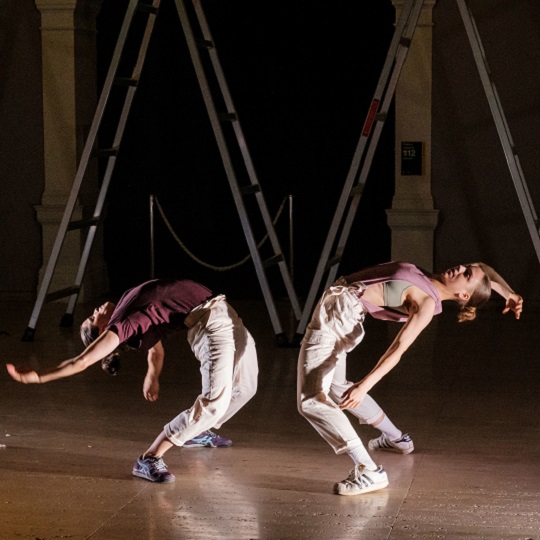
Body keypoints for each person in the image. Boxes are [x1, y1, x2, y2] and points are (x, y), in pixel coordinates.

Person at [297, 261, 523, 496]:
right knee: (337, 388)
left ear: (463, 294)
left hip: (336, 319)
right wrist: (509, 293)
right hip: (339, 313)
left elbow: (398, 349)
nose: (460, 267)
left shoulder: (426, 303)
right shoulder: (430, 280)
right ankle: (397, 438)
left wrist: (365, 386)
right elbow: (481, 267)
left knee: (311, 400)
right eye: (464, 266)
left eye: (466, 274)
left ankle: (368, 470)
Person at [7, 278, 258, 484]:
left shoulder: (132, 316)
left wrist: (152, 376)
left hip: (225, 313)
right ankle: (149, 458)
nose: (94, 311)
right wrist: (39, 376)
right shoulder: (123, 324)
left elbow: (155, 351)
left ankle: (195, 431)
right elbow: (80, 362)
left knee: (246, 386)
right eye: (92, 319)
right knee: (213, 402)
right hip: (210, 326)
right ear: (103, 332)